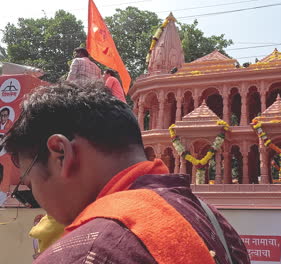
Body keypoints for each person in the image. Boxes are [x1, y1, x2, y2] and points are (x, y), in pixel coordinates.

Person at [2, 81, 249, 264]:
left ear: (61, 154)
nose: (36, 196)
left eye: (28, 180)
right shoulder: (212, 219)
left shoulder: (85, 252)